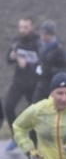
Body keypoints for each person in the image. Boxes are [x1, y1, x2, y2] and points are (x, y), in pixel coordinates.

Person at [3, 16, 41, 151]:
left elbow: (43, 64)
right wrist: (12, 56)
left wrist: (28, 64)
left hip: (34, 83)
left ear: (32, 27)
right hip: (18, 81)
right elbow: (8, 59)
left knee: (33, 113)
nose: (22, 30)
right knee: (8, 106)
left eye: (25, 27)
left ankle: (34, 143)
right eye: (20, 27)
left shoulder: (38, 42)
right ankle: (16, 137)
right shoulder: (16, 41)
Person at [32, 20, 66, 103]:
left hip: (54, 86)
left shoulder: (59, 49)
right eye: (42, 34)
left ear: (51, 35)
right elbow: (41, 61)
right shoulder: (41, 46)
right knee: (35, 107)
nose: (42, 37)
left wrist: (52, 71)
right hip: (42, 84)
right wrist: (37, 68)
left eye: (45, 34)